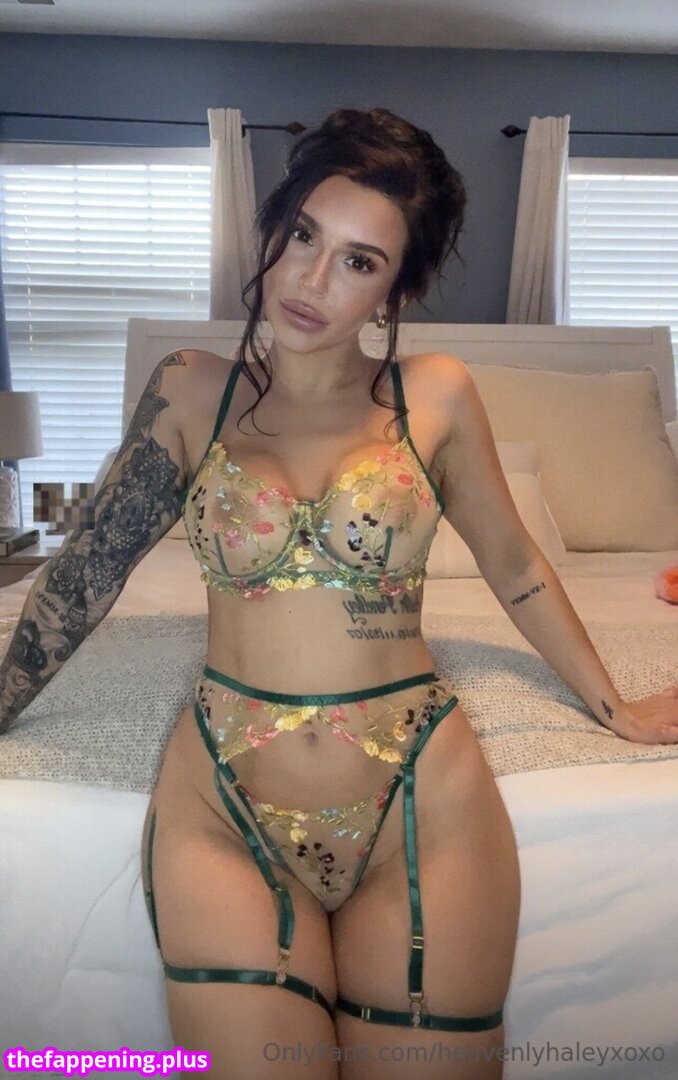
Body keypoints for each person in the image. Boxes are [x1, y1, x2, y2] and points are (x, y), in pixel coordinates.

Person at [1, 107, 677, 1080]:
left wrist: (616, 706)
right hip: (226, 803)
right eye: (304, 236)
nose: (312, 280)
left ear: (396, 290)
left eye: (359, 261)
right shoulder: (189, 391)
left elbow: (517, 567)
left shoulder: (435, 395)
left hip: (419, 798)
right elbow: (83, 574)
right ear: (272, 229)